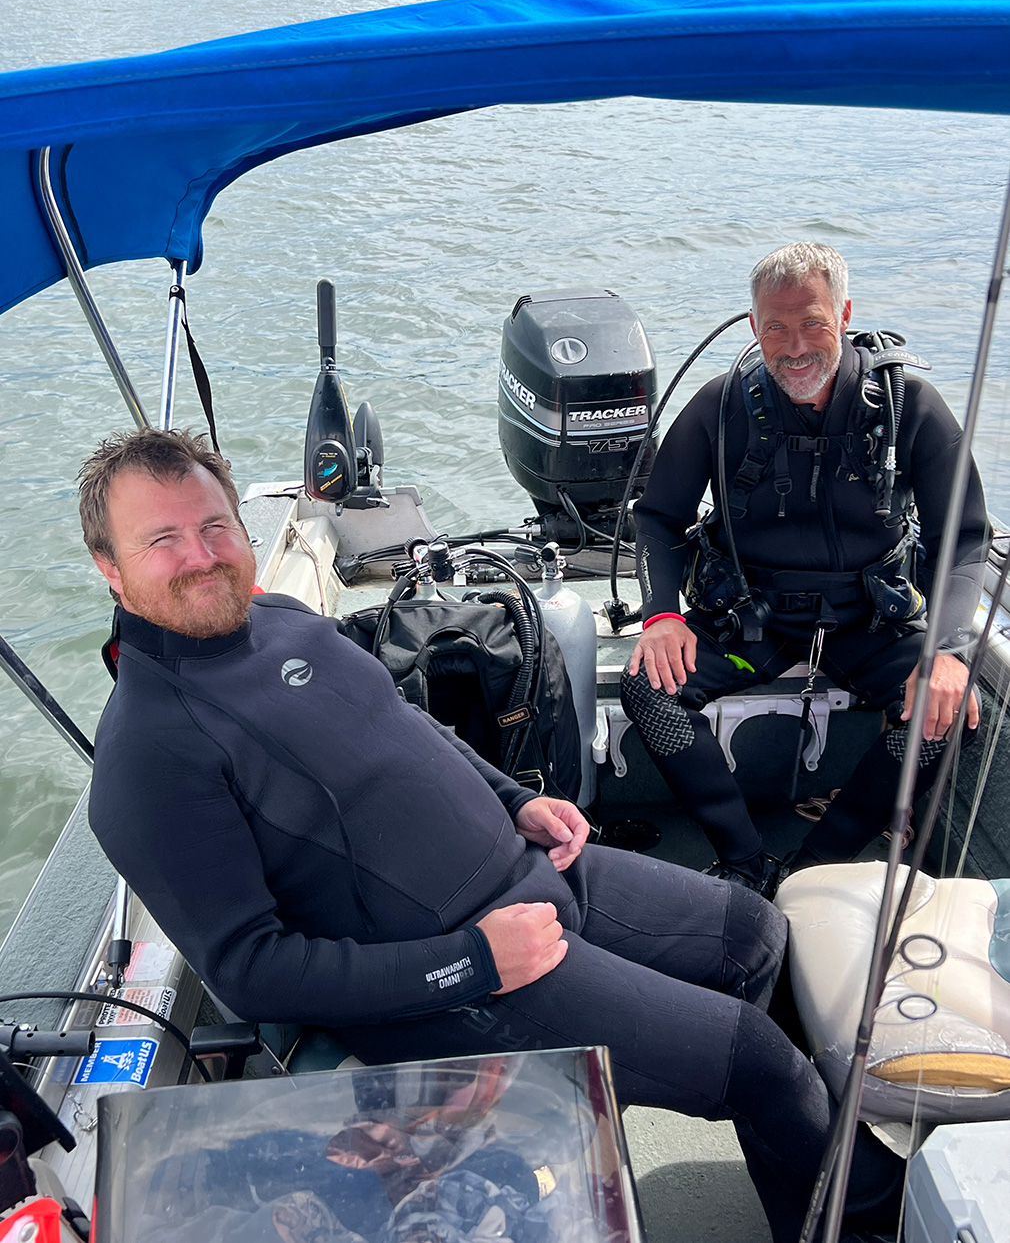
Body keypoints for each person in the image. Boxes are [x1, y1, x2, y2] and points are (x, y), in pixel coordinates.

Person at [80, 427, 901, 1243]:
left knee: (756, 932)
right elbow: (254, 972)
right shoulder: (148, 756)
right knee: (760, 1063)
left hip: (533, 868)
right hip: (458, 979)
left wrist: (513, 800)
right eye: (162, 540)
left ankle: (740, 1121)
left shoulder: (282, 618)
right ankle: (857, 1212)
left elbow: (401, 722)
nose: (201, 555)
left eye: (215, 525)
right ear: (109, 569)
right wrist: (474, 961)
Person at [622, 242, 988, 894]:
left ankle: (816, 864)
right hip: (747, 622)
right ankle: (741, 859)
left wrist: (948, 650)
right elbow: (656, 518)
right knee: (650, 689)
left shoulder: (911, 408)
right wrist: (662, 615)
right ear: (754, 325)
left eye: (813, 322)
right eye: (776, 328)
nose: (795, 347)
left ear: (843, 313)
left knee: (947, 709)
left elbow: (961, 537)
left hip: (867, 622)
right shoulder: (720, 406)